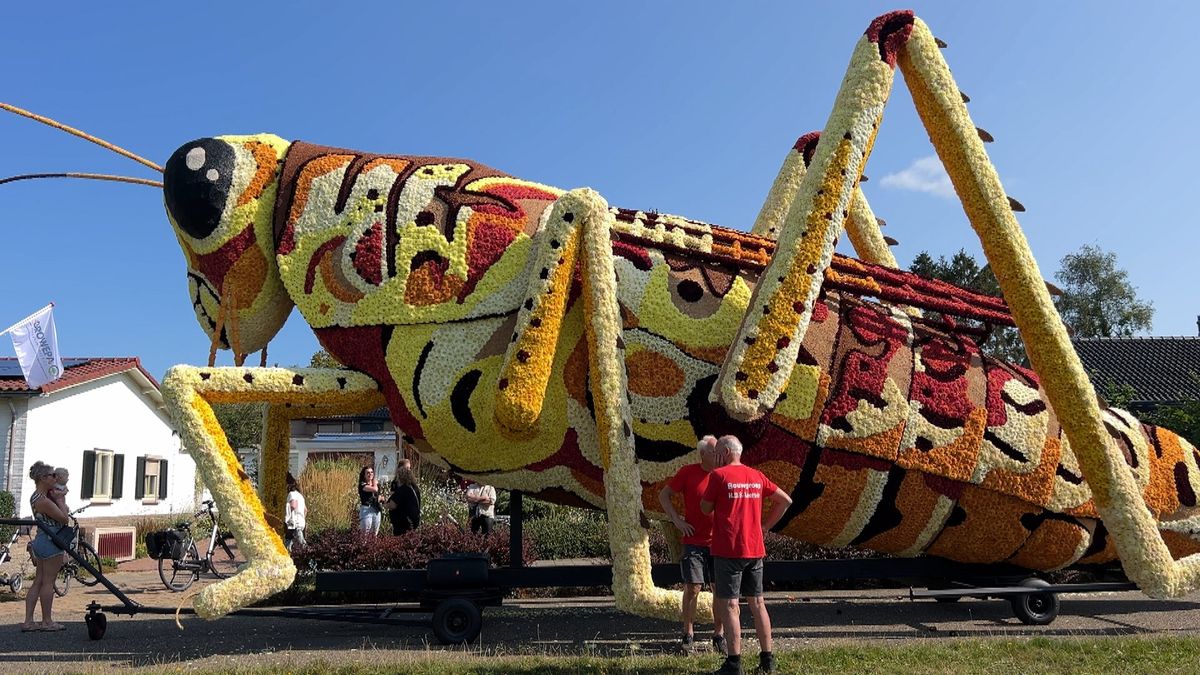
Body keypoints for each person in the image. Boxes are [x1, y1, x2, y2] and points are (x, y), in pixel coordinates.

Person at [701, 436, 793, 675]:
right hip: (754, 548)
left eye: (717, 452)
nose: (715, 456)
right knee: (758, 603)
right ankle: (767, 659)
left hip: (728, 549)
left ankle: (734, 664)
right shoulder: (756, 476)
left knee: (730, 604)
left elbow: (705, 508)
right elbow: (785, 501)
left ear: (725, 452)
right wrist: (765, 527)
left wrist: (715, 476)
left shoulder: (718, 476)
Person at [659, 435, 726, 654]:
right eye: (715, 452)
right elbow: (664, 495)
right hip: (694, 541)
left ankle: (719, 635)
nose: (719, 456)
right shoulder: (688, 472)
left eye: (720, 452)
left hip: (719, 542)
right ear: (703, 454)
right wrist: (676, 520)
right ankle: (688, 634)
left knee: (719, 589)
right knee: (693, 587)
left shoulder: (724, 474)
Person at [23, 461, 70, 632]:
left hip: (41, 540)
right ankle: (47, 621)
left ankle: (28, 621)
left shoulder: (35, 497)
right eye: (52, 475)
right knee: (48, 582)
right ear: (43, 478)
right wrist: (60, 500)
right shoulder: (45, 501)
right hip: (51, 541)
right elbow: (64, 519)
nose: (55, 478)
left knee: (38, 581)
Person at [385, 466, 421, 535]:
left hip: (403, 524)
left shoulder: (402, 489)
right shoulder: (415, 488)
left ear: (400, 477)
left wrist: (384, 504)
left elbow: (392, 505)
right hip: (414, 521)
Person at [284, 473, 307, 552]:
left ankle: (307, 553)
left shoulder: (292, 494)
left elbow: (293, 505)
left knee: (299, 542)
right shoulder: (300, 496)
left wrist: (288, 515)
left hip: (294, 523)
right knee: (289, 540)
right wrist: (302, 518)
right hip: (300, 522)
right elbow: (305, 510)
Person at [357, 466, 382, 535]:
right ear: (364, 475)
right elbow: (375, 489)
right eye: (368, 473)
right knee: (365, 534)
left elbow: (378, 495)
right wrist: (375, 482)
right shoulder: (362, 484)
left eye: (371, 472)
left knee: (374, 534)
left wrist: (381, 498)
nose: (370, 474)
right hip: (366, 510)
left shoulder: (376, 484)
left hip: (376, 509)